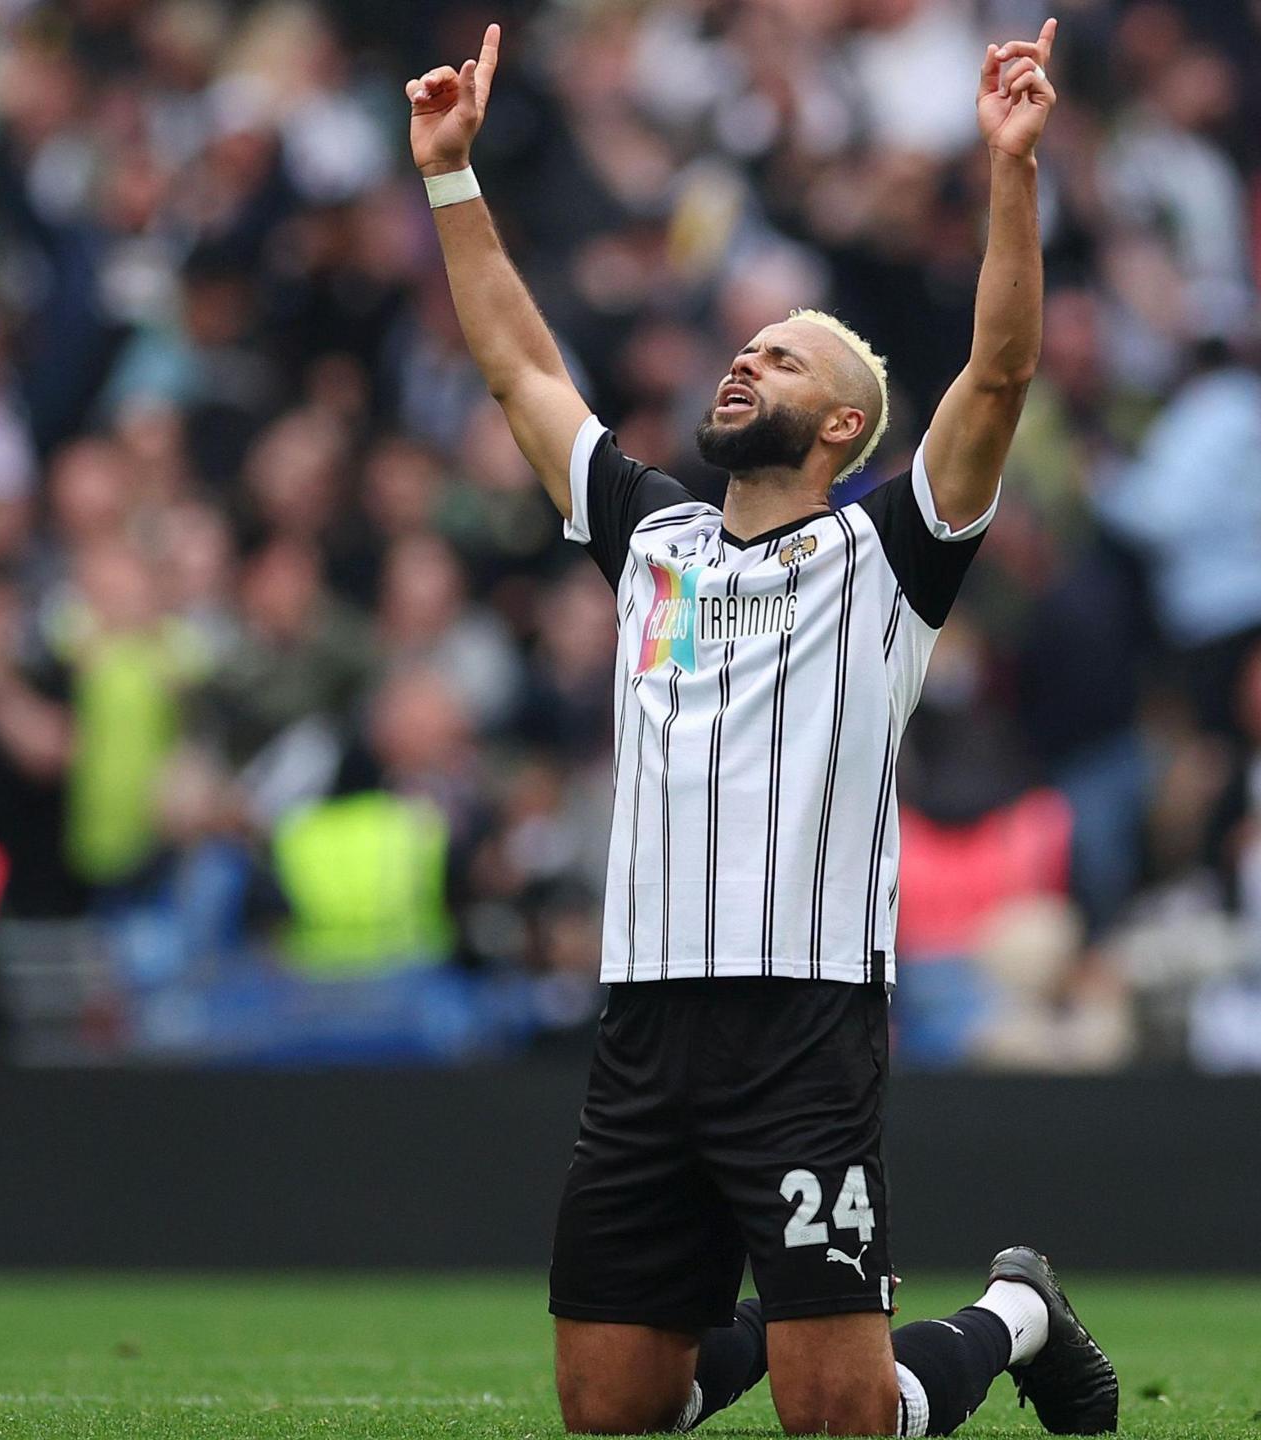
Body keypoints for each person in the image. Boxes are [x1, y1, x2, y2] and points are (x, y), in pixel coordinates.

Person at [408, 19, 1117, 1438]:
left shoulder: (888, 558)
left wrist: (1011, 172)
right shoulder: (653, 538)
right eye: (744, 350)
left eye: (782, 362)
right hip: (645, 1021)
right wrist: (449, 179)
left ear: (846, 424)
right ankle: (800, 1329)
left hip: (802, 1025)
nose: (745, 365)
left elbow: (998, 376)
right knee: (611, 1411)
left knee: (839, 1421)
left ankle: (1013, 1315)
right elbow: (523, 376)